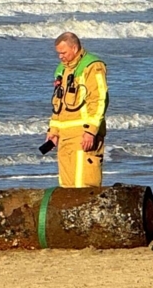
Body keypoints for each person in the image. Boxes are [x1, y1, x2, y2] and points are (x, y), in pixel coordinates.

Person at [45, 32, 108, 188]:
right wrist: (53, 131)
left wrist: (90, 131)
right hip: (64, 137)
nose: (60, 56)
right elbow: (58, 104)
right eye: (58, 53)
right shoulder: (62, 70)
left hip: (83, 136)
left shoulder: (92, 66)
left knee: (85, 185)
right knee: (66, 187)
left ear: (74, 48)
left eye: (63, 53)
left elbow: (99, 99)